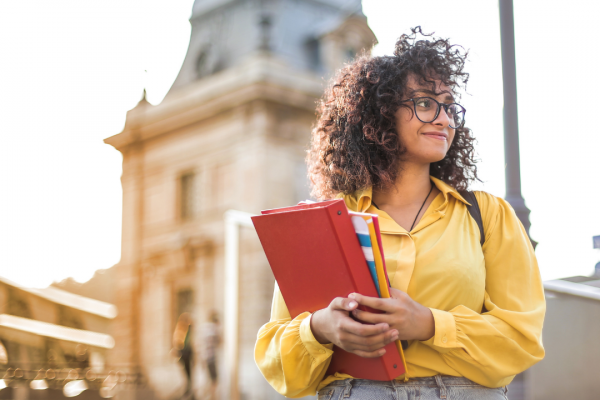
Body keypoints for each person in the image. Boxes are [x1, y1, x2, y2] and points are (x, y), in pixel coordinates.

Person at [254, 27, 545, 399]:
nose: (444, 119)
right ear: (381, 113)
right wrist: (320, 329)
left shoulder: (488, 215)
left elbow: (522, 339)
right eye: (425, 103)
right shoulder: (323, 223)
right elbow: (277, 363)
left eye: (449, 105)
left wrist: (429, 324)